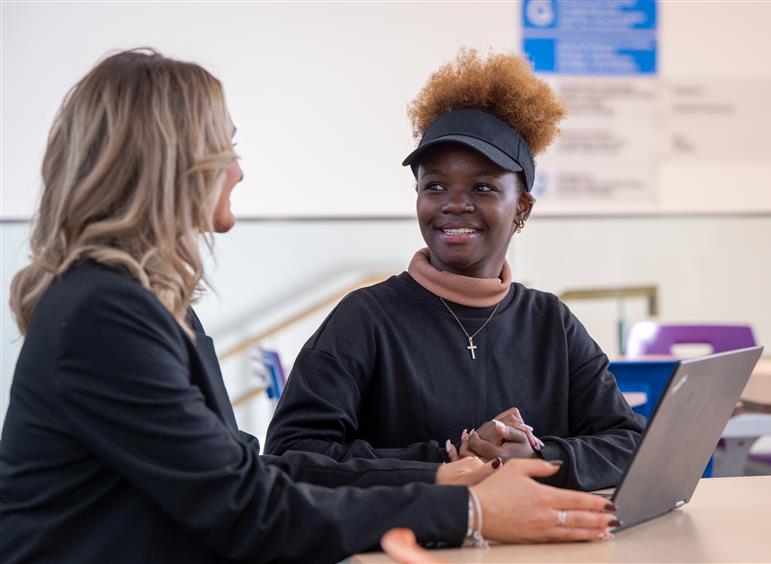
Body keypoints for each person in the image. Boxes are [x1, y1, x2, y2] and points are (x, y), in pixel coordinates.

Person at [0, 49, 619, 564]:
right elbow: (250, 504)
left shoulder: (153, 309)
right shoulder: (106, 316)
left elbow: (248, 472)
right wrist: (469, 508)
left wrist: (442, 479)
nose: (238, 171)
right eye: (227, 148)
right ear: (171, 164)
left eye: (484, 187)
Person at [266, 49, 645, 492]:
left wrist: (541, 457)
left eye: (482, 187)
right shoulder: (364, 319)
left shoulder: (551, 324)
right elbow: (290, 456)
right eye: (436, 185)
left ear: (522, 206)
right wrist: (446, 463)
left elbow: (630, 443)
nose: (454, 204)